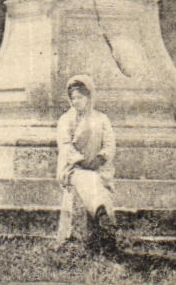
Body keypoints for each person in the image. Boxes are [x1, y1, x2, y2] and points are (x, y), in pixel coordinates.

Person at [55, 74, 117, 251]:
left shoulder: (101, 119)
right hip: (74, 169)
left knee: (95, 179)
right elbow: (65, 146)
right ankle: (101, 213)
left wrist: (100, 158)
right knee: (87, 179)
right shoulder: (66, 120)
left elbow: (110, 143)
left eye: (80, 97)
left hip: (98, 167)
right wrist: (80, 161)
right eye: (73, 98)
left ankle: (103, 223)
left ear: (89, 97)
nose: (76, 102)